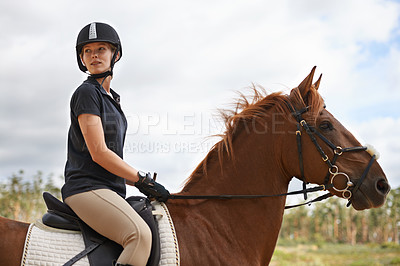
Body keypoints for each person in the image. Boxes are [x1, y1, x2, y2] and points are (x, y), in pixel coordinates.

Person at [61, 22, 170, 266]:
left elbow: (112, 159)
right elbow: (99, 153)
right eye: (87, 51)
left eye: (101, 49)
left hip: (109, 189)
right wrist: (142, 179)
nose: (94, 55)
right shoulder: (87, 93)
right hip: (86, 188)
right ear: (82, 58)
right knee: (139, 236)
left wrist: (141, 184)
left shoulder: (112, 100)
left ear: (115, 54)